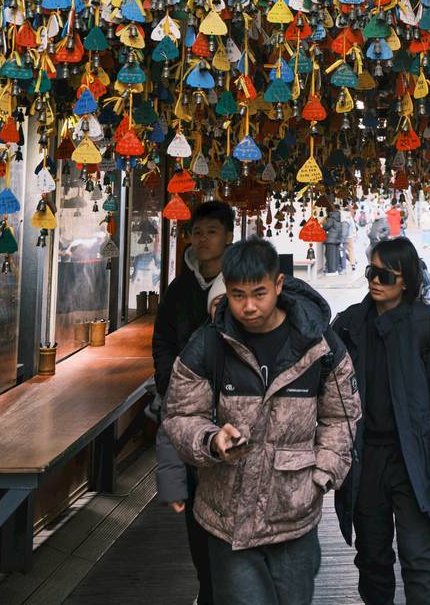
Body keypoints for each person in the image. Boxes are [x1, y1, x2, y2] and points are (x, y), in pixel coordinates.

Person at [166, 239, 361, 605]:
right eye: (238, 295)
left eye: (259, 293)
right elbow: (180, 414)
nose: (249, 306)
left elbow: (343, 414)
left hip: (295, 516)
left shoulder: (318, 343)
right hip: (227, 519)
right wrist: (211, 440)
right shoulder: (209, 343)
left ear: (278, 284)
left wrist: (322, 475)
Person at [331, 237, 430, 605]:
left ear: (405, 281)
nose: (375, 281)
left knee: (418, 558)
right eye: (371, 272)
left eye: (385, 275)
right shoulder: (349, 324)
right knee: (372, 559)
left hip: (414, 459)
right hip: (366, 458)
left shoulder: (426, 323)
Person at [151, 199, 234, 605]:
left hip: (232, 414)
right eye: (196, 232)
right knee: (197, 504)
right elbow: (163, 341)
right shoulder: (179, 289)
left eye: (211, 232)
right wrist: (171, 382)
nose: (202, 239)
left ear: (228, 237)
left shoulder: (240, 284)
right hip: (188, 411)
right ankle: (208, 588)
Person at [324, 208, 348, 275]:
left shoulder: (331, 219)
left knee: (330, 256)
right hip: (337, 240)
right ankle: (336, 270)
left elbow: (326, 227)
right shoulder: (339, 220)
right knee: (335, 256)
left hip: (331, 240)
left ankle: (332, 271)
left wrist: (323, 224)